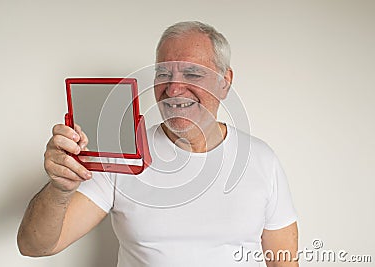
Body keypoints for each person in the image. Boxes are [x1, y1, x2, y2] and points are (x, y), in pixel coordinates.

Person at [17, 21, 299, 266]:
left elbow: (283, 262)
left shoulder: (262, 160)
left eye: (192, 73)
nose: (174, 88)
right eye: (164, 74)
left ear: (224, 82)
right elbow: (35, 246)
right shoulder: (121, 156)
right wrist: (60, 188)